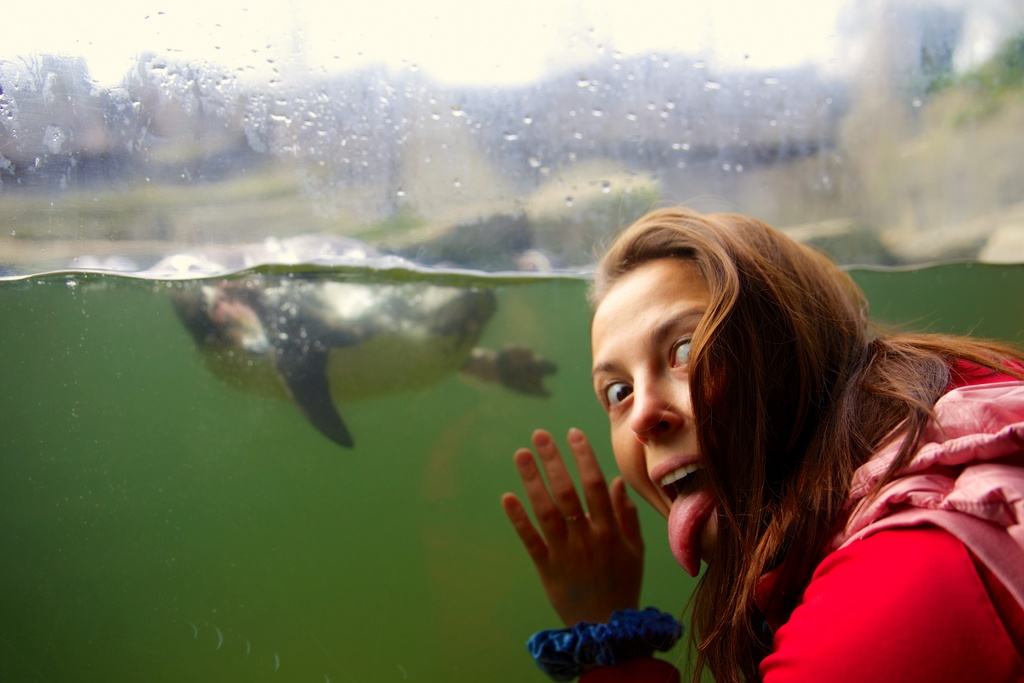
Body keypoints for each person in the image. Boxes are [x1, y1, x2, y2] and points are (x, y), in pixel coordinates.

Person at [501, 207, 1024, 683]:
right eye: (619, 392)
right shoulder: (958, 416)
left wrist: (610, 652)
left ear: (794, 341)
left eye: (686, 349)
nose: (641, 416)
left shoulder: (889, 587)